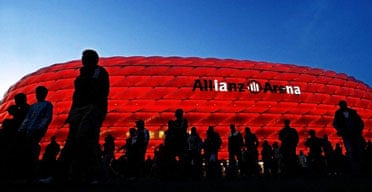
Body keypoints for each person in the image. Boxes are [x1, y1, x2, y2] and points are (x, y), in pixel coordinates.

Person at [59, 49, 110, 184]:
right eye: (83, 57)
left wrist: (96, 109)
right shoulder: (81, 74)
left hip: (92, 108)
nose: (83, 60)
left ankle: (95, 175)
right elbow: (76, 95)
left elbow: (101, 92)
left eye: (87, 57)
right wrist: (72, 112)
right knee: (71, 141)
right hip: (78, 109)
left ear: (94, 60)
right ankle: (63, 175)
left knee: (86, 137)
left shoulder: (99, 72)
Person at [18, 86, 53, 182]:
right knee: (28, 151)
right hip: (29, 131)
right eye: (38, 93)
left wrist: (40, 128)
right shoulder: (33, 106)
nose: (38, 95)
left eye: (41, 93)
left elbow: (47, 118)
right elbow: (27, 119)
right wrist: (22, 129)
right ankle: (28, 174)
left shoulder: (47, 105)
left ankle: (34, 174)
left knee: (32, 150)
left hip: (36, 131)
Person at [332, 100, 365, 176]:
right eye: (341, 105)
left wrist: (359, 130)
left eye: (343, 105)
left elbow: (360, 121)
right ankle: (354, 169)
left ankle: (359, 167)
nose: (342, 106)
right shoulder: (338, 113)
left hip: (355, 134)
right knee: (350, 151)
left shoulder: (353, 112)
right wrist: (340, 130)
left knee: (357, 150)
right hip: (346, 135)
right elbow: (335, 123)